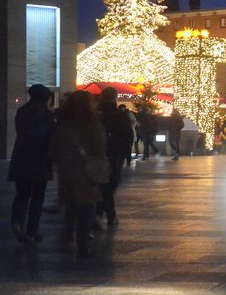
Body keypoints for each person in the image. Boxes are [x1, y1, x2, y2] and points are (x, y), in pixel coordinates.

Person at [48, 90, 107, 257]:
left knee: (71, 205)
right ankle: (82, 244)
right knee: (86, 208)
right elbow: (99, 147)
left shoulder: (63, 123)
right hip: (86, 171)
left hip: (66, 170)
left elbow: (53, 148)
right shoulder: (93, 124)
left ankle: (67, 235)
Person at [6, 84, 56, 244]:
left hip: (22, 159)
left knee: (22, 195)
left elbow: (22, 133)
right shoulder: (48, 115)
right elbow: (51, 136)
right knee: (37, 197)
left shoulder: (22, 112)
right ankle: (32, 230)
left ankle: (17, 222)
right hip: (41, 160)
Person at [97, 87, 134, 226]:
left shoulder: (95, 114)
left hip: (98, 154)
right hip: (114, 153)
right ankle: (108, 214)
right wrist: (124, 153)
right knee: (110, 184)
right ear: (115, 97)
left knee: (100, 184)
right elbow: (128, 135)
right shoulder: (119, 115)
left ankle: (100, 213)